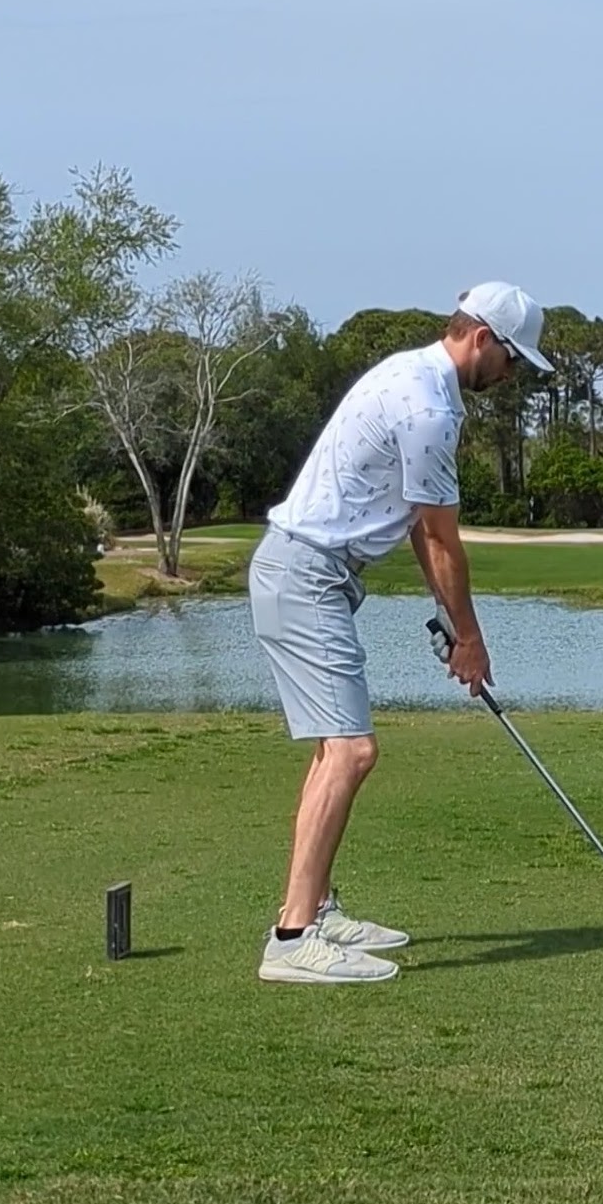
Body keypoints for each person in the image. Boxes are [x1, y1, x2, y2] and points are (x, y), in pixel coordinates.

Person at [249, 281, 551, 984]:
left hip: (308, 572)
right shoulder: (428, 406)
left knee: (335, 750)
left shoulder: (415, 377)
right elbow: (444, 540)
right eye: (511, 360)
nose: (511, 377)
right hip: (307, 574)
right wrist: (471, 640)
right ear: (481, 338)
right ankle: (293, 939)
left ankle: (315, 908)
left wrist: (453, 621)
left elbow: (422, 525)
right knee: (353, 752)